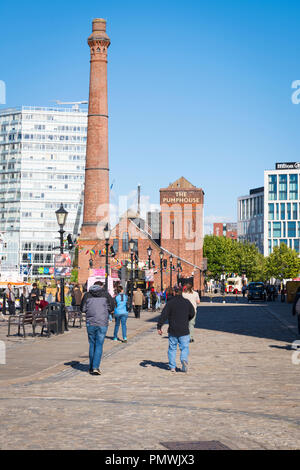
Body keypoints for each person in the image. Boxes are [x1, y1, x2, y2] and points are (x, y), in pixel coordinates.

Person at [157, 286, 195, 373]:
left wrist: (159, 326)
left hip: (173, 329)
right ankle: (183, 360)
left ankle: (172, 367)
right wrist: (187, 319)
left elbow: (164, 315)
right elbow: (192, 313)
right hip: (184, 329)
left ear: (174, 292)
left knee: (172, 348)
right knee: (184, 347)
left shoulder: (170, 303)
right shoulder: (187, 302)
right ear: (182, 292)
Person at [81, 281, 114, 375]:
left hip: (90, 322)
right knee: (99, 344)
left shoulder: (87, 295)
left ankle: (91, 367)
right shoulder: (106, 295)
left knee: (92, 344)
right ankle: (96, 367)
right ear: (101, 286)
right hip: (102, 322)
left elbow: (82, 309)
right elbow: (111, 307)